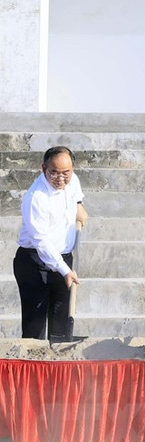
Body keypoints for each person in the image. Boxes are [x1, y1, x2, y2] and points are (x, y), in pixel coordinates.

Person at [14, 146, 88, 341]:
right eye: (54, 173)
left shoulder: (72, 180)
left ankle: (60, 367)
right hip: (35, 262)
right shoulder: (35, 198)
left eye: (66, 173)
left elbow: (76, 193)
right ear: (43, 168)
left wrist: (79, 205)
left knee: (62, 322)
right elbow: (41, 242)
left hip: (64, 258)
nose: (61, 179)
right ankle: (33, 368)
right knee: (35, 327)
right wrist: (65, 271)